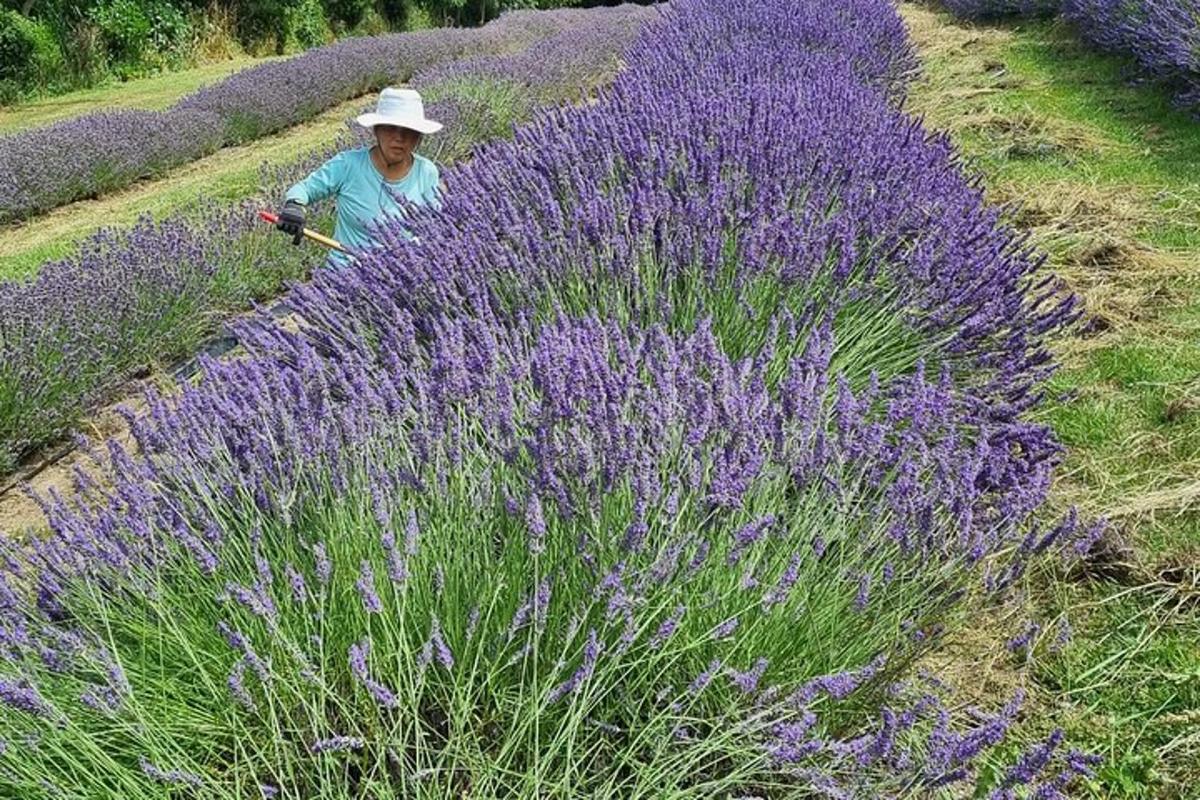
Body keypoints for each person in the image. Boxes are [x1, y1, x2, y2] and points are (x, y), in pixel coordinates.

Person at [275, 87, 443, 266]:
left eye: (408, 131)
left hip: (400, 275)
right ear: (377, 130)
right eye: (391, 129)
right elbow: (304, 189)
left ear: (418, 137)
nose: (399, 138)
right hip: (346, 273)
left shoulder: (426, 172)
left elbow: (433, 226)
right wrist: (295, 206)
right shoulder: (348, 165)